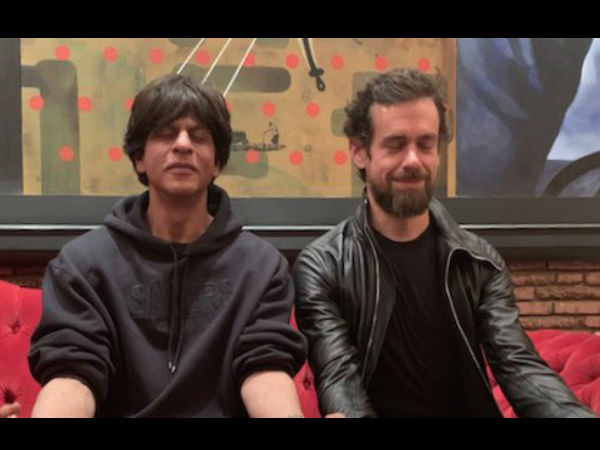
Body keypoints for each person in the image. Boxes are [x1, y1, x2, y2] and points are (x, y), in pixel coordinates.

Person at [292, 68, 596, 418]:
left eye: (425, 144)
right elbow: (339, 378)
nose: (413, 160)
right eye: (395, 144)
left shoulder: (479, 261)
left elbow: (518, 365)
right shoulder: (323, 265)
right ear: (360, 152)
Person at [28, 74, 307, 418]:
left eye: (199, 136)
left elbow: (264, 369)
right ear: (139, 158)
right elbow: (73, 376)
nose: (183, 144)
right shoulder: (82, 264)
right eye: (165, 133)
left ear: (217, 162)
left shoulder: (261, 267)